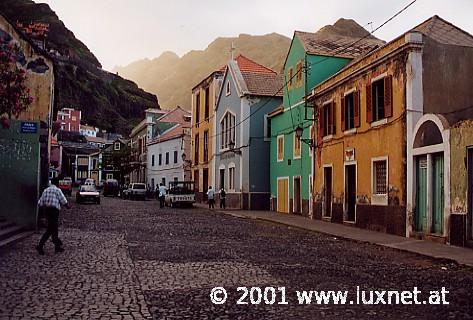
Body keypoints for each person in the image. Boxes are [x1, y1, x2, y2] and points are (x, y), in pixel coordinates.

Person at [36, 177, 70, 255]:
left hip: (47, 211)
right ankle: (40, 246)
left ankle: (57, 246)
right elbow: (63, 200)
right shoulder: (57, 190)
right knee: (50, 229)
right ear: (57, 183)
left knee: (54, 228)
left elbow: (40, 203)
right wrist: (67, 206)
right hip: (54, 211)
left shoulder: (46, 190)